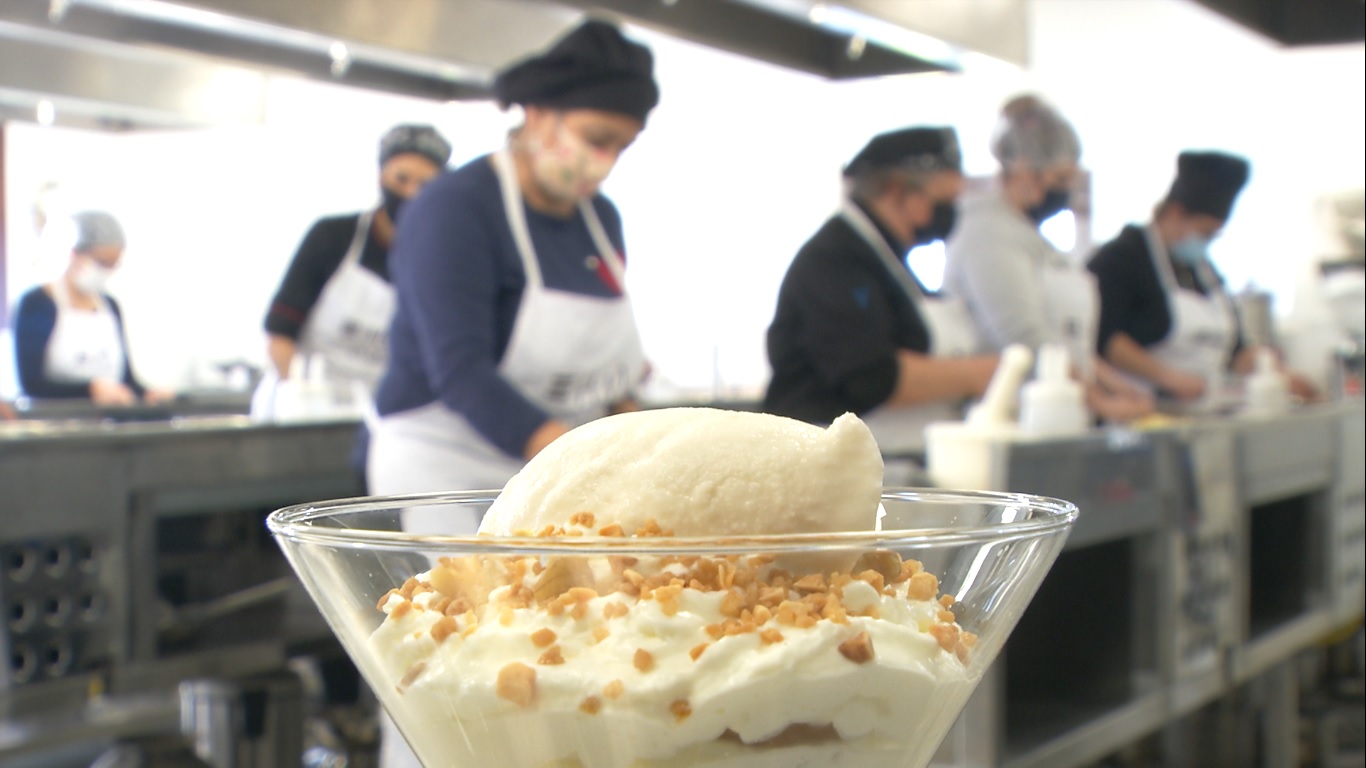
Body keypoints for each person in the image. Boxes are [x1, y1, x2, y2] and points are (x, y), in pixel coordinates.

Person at [366, 19, 658, 768]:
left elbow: (612, 377)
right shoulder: (453, 209)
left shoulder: (600, 221)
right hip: (444, 463)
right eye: (595, 137)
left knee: (561, 657)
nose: (604, 161)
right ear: (537, 114)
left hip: (553, 464)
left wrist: (640, 450)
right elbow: (460, 370)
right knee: (446, 660)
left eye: (621, 146)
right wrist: (583, 467)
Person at [763, 126, 998, 472]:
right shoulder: (836, 259)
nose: (950, 213)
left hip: (893, 460)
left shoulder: (889, 261)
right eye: (943, 201)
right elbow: (871, 376)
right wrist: (982, 373)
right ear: (896, 190)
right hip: (829, 466)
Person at [945, 95, 1153, 423]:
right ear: (1024, 170)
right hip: (1012, 416)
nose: (1066, 192)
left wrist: (1115, 385)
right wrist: (1101, 402)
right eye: (1060, 180)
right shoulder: (987, 234)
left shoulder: (1030, 236)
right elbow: (1024, 337)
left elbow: (1066, 341)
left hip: (1060, 414)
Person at [1087, 151, 1317, 403]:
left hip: (1203, 409)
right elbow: (1106, 338)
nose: (1205, 243)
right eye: (1204, 232)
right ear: (1176, 212)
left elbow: (1234, 351)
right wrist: (1169, 378)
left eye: (1213, 236)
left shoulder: (1204, 271)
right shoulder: (1121, 258)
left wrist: (1268, 369)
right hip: (1137, 408)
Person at [263, 123, 452, 393]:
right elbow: (281, 332)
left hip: (390, 410)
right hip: (308, 401)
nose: (411, 193)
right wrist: (300, 393)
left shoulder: (446, 258)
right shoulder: (332, 237)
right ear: (381, 177)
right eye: (401, 179)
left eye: (425, 185)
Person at [12, 211, 170, 405]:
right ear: (75, 254)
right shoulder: (37, 303)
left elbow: (125, 380)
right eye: (102, 262)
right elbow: (32, 385)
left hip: (108, 420)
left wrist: (148, 394)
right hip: (52, 419)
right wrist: (89, 390)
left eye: (113, 264)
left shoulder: (110, 306)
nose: (106, 271)